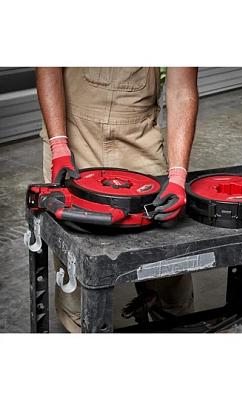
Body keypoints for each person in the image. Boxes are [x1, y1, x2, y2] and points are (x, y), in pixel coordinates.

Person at [36, 67, 199, 332]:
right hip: (73, 135)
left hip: (139, 136)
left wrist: (178, 175)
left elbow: (182, 89)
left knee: (167, 263)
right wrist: (59, 146)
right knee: (77, 266)